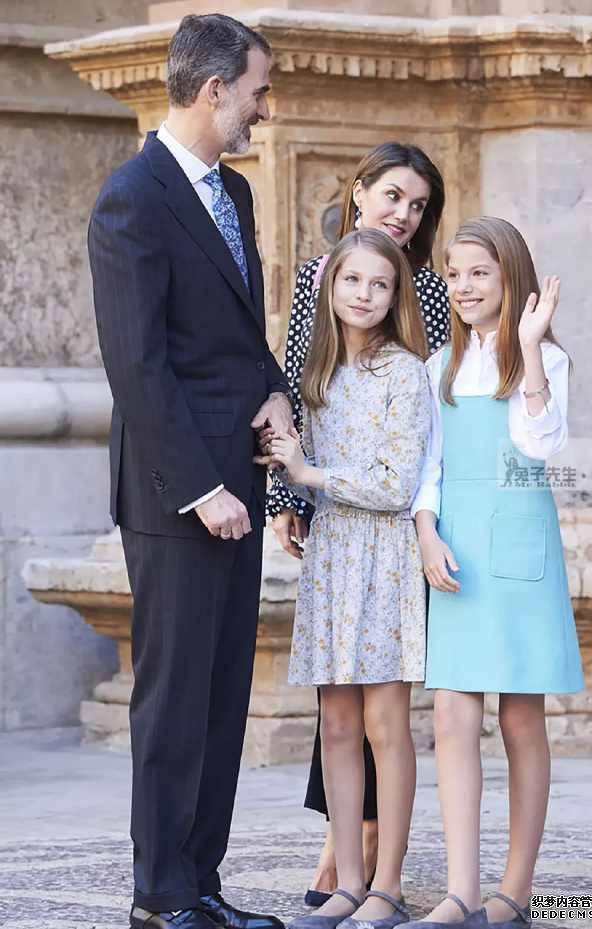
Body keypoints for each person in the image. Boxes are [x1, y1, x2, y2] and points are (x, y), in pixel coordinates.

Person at [87, 14, 294, 929]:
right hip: (179, 497)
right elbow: (136, 364)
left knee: (221, 696)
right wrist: (200, 487)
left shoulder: (235, 193)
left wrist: (275, 388)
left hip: (238, 481)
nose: (264, 108)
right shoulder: (131, 198)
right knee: (173, 699)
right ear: (214, 91)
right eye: (257, 90)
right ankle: (160, 895)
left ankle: (201, 884)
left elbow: (238, 332)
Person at [262, 142, 449, 904]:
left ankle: (380, 868)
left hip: (391, 537)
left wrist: (314, 479)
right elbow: (291, 393)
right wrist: (284, 497)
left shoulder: (422, 306)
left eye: (419, 205)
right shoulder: (318, 297)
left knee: (383, 718)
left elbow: (416, 447)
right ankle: (345, 858)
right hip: (333, 545)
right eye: (394, 195)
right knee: (338, 718)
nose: (405, 213)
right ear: (361, 190)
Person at [407, 216, 584, 929]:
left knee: (519, 715)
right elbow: (428, 466)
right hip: (457, 550)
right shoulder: (438, 367)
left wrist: (531, 348)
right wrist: (426, 533)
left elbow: (541, 444)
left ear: (512, 277)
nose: (464, 286)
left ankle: (515, 889)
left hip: (518, 549)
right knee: (452, 711)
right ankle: (462, 892)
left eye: (479, 272)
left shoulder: (545, 360)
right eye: (454, 274)